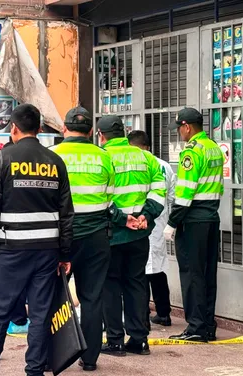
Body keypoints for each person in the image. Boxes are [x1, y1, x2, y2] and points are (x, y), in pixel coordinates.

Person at [0, 104, 74, 376]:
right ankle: (34, 371)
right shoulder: (55, 162)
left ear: (14, 128)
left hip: (12, 251)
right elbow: (66, 213)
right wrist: (65, 254)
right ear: (40, 130)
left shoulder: (2, 159)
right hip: (47, 252)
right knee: (41, 314)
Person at [48, 106, 113, 371]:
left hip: (60, 237)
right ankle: (89, 359)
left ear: (64, 129)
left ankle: (52, 354)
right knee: (92, 297)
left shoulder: (52, 155)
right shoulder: (103, 156)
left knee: (52, 297)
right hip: (96, 236)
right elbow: (110, 198)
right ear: (90, 133)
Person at [97, 116, 166, 357]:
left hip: (113, 234)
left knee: (111, 285)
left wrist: (120, 218)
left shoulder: (102, 157)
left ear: (101, 136)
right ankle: (139, 339)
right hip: (140, 233)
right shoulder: (146, 157)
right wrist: (146, 215)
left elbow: (100, 196)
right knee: (137, 283)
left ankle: (115, 340)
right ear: (125, 134)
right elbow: (160, 190)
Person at [164, 108, 224, 342]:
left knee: (191, 273)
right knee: (208, 273)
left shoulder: (192, 151)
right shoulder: (214, 148)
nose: (179, 133)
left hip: (193, 220)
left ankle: (196, 327)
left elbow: (185, 192)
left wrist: (172, 222)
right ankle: (208, 324)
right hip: (211, 218)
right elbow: (217, 188)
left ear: (187, 126)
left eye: (179, 128)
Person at [127, 130, 176, 328]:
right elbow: (172, 197)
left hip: (138, 222)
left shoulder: (135, 165)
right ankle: (164, 313)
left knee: (142, 271)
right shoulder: (165, 166)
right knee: (157, 268)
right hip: (159, 221)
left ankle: (143, 315)